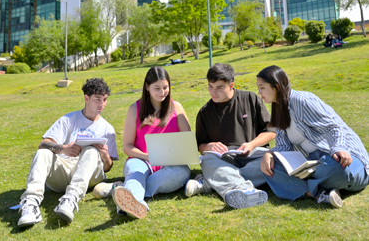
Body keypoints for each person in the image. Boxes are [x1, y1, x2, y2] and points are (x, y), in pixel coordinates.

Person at [257, 65, 369, 208]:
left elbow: (333, 126)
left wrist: (339, 148)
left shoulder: (302, 100)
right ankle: (319, 194)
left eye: (262, 87)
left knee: (338, 169)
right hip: (313, 164)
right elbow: (284, 146)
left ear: (277, 87)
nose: (259, 92)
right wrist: (269, 153)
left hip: (338, 158)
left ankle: (306, 188)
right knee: (270, 168)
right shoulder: (278, 111)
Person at [17, 78, 118, 228]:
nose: (102, 104)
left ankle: (70, 199)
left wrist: (104, 156)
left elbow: (107, 168)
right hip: (63, 172)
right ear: (86, 98)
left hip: (89, 176)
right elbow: (43, 144)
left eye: (104, 100)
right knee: (43, 152)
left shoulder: (107, 129)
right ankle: (31, 204)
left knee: (91, 151)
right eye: (97, 99)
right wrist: (64, 149)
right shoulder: (68, 119)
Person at [94, 66, 191, 219]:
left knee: (183, 172)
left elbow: (187, 142)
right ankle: (135, 202)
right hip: (141, 160)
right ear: (147, 87)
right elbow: (127, 146)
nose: (162, 92)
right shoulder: (135, 109)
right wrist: (148, 157)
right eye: (156, 88)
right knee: (136, 173)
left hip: (171, 164)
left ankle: (125, 191)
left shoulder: (176, 107)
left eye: (165, 87)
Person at [184, 63, 275, 209]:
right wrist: (209, 146)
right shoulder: (204, 112)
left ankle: (211, 182)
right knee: (208, 161)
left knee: (275, 161)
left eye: (219, 87)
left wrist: (251, 144)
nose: (213, 92)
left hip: (254, 155)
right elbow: (200, 147)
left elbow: (271, 131)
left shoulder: (251, 98)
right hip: (223, 160)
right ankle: (245, 189)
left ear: (231, 85)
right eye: (210, 86)